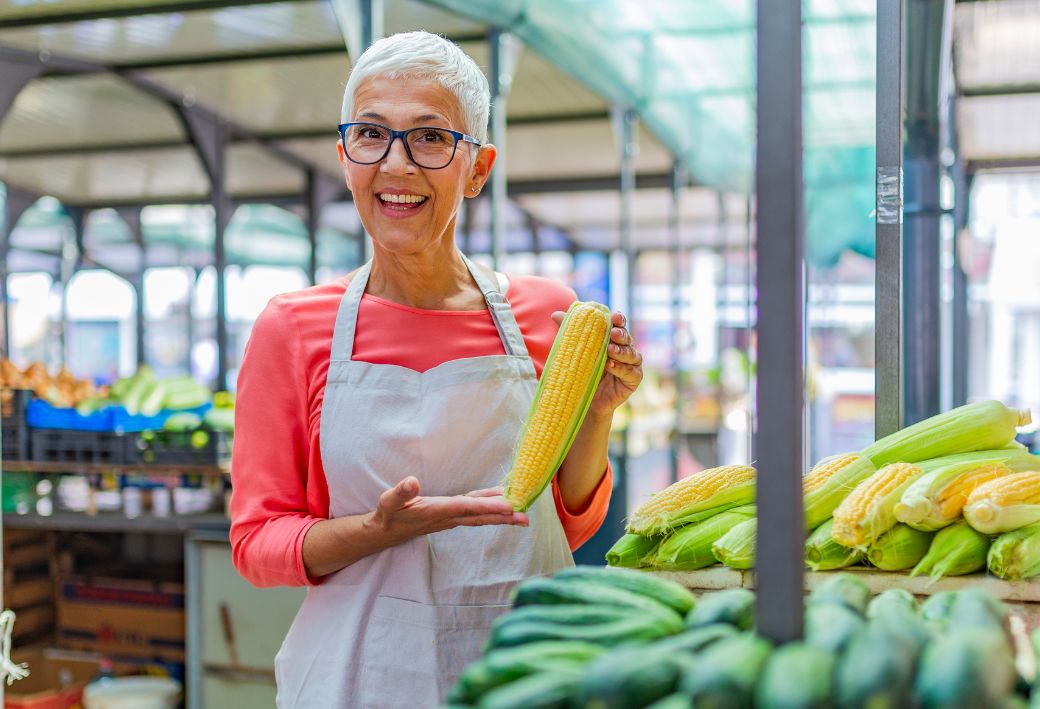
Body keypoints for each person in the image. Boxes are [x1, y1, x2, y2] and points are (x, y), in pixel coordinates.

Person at [229, 30, 644, 708]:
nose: (396, 165)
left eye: (429, 138)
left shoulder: (548, 315)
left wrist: (596, 411)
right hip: (358, 678)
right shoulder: (292, 327)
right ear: (345, 157)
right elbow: (257, 540)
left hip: (523, 669)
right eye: (370, 134)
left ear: (477, 167)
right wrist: (377, 532)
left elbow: (561, 524)